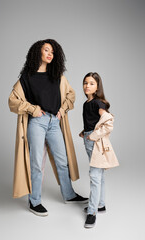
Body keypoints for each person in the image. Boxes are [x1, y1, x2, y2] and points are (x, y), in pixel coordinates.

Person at [8, 39, 88, 217]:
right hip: (37, 122)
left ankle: (68, 195)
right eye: (46, 50)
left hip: (54, 122)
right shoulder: (26, 78)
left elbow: (71, 95)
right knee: (37, 163)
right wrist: (33, 109)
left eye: (52, 51)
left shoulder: (57, 76)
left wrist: (62, 109)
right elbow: (13, 101)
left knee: (62, 160)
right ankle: (34, 201)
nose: (50, 54)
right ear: (38, 52)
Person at [79, 72, 119, 228]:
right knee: (99, 175)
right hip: (89, 140)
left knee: (95, 176)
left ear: (97, 87)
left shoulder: (97, 103)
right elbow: (93, 122)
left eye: (91, 83)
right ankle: (100, 204)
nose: (87, 86)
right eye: (85, 83)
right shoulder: (86, 103)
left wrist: (93, 135)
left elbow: (108, 122)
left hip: (96, 143)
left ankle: (92, 212)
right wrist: (85, 132)